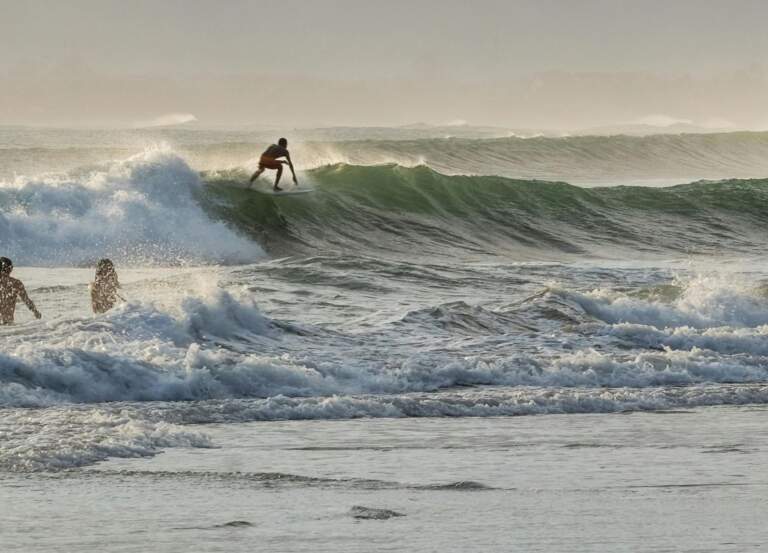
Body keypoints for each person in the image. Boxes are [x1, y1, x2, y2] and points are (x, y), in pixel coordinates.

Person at [0, 257, 42, 324]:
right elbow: (26, 300)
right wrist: (35, 312)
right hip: (8, 325)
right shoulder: (16, 283)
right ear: (10, 268)